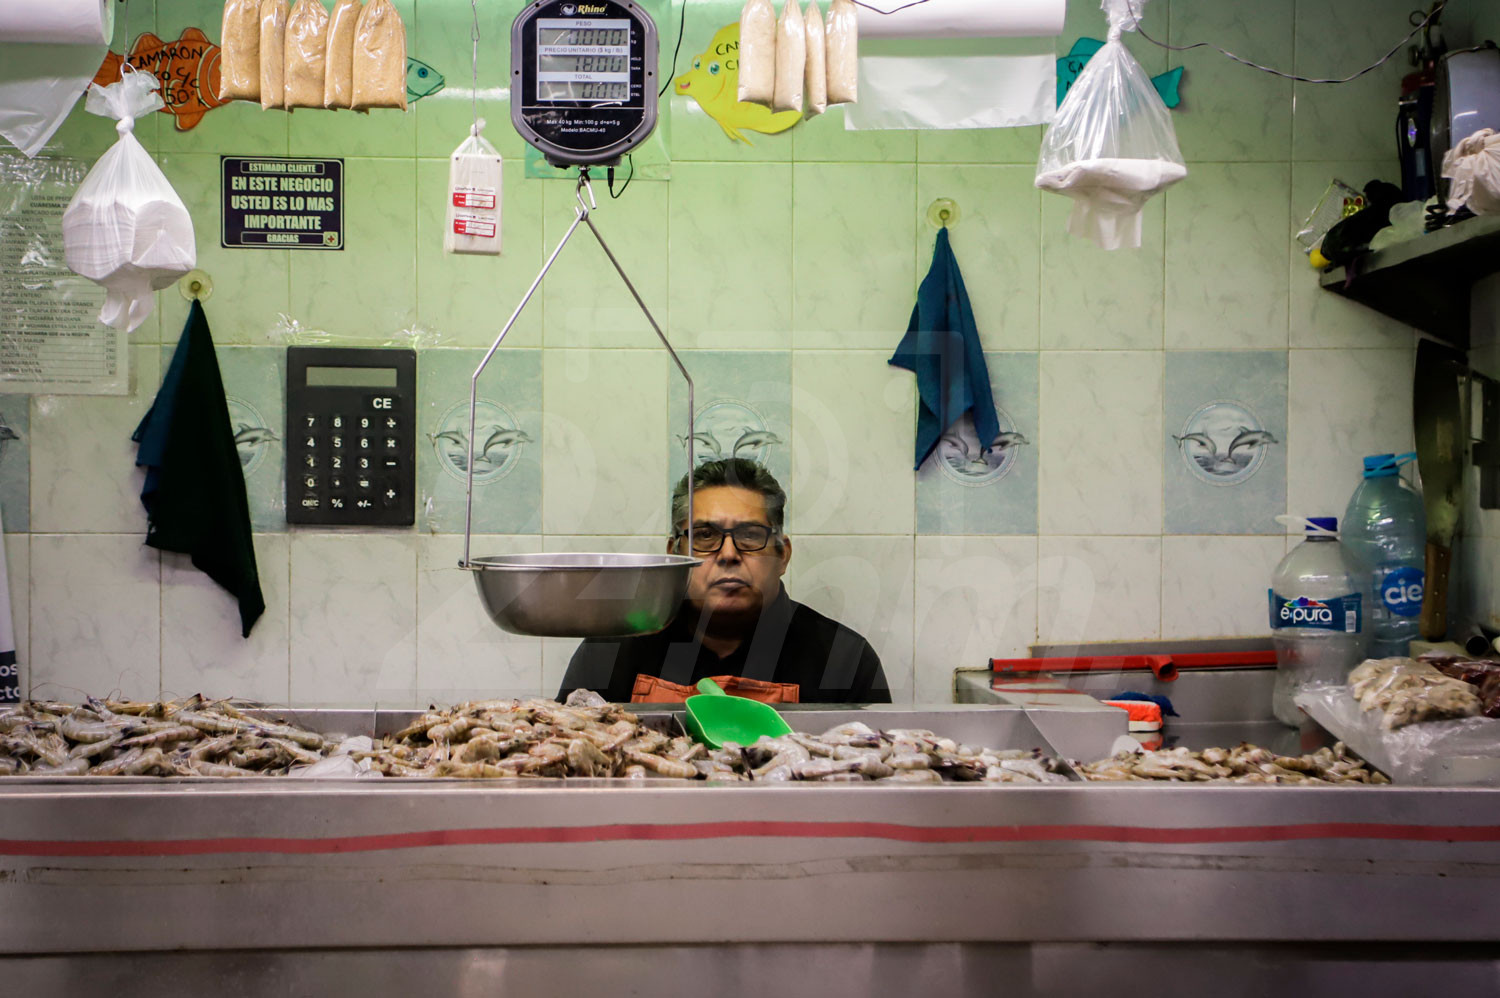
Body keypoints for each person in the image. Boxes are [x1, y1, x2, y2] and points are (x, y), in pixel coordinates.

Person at [557, 459, 890, 704]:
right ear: (674, 556)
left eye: (749, 535)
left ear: (782, 555)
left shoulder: (844, 659)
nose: (728, 554)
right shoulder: (610, 650)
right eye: (704, 535)